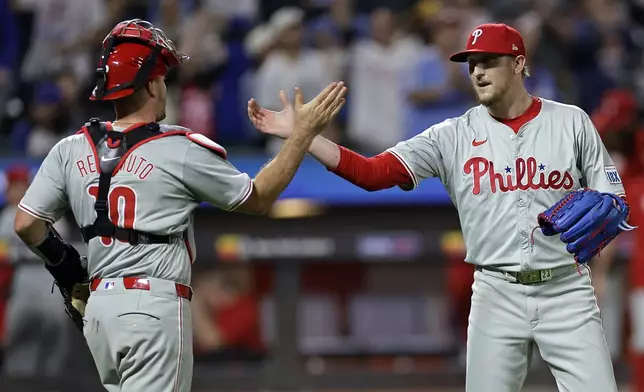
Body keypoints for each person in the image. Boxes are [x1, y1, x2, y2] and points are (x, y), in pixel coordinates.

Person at [249, 23, 630, 391]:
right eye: (471, 64)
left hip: (565, 289)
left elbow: (614, 199)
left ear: (517, 64)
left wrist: (612, 206)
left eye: (488, 61)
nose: (478, 72)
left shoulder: (571, 122)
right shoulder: (451, 136)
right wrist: (304, 137)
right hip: (496, 293)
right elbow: (372, 172)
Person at [12, 18, 346, 392]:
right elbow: (258, 198)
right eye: (163, 79)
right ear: (152, 84)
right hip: (153, 305)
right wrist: (301, 136)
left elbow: (26, 223)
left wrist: (65, 265)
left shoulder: (70, 147)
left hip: (100, 312)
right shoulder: (177, 147)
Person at [1, 165, 72, 378]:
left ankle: (51, 381)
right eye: (14, 187)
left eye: (21, 186)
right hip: (21, 284)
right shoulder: (7, 216)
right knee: (18, 343)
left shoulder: (53, 213)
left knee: (55, 339)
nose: (17, 191)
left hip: (50, 283)